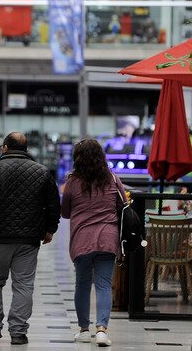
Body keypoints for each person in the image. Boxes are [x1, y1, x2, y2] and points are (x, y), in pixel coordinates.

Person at [0, 132, 61, 345]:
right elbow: (54, 205)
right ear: (27, 150)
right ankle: (18, 332)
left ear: (5, 148)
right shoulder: (42, 172)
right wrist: (50, 229)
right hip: (28, 240)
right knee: (24, 284)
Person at [60, 138, 125, 347]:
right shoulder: (113, 179)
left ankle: (84, 330)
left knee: (82, 284)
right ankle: (102, 331)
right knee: (104, 284)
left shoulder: (72, 182)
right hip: (108, 237)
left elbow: (66, 212)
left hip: (82, 239)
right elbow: (123, 204)